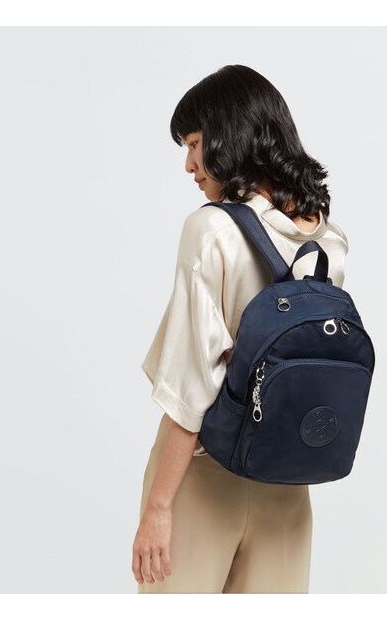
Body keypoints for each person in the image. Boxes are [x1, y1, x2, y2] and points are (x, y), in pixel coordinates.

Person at [131, 65, 349, 593]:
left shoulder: (211, 230)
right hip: (287, 481)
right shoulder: (329, 241)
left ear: (229, 135)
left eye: (194, 143)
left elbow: (190, 385)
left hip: (204, 478)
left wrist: (159, 507)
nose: (189, 164)